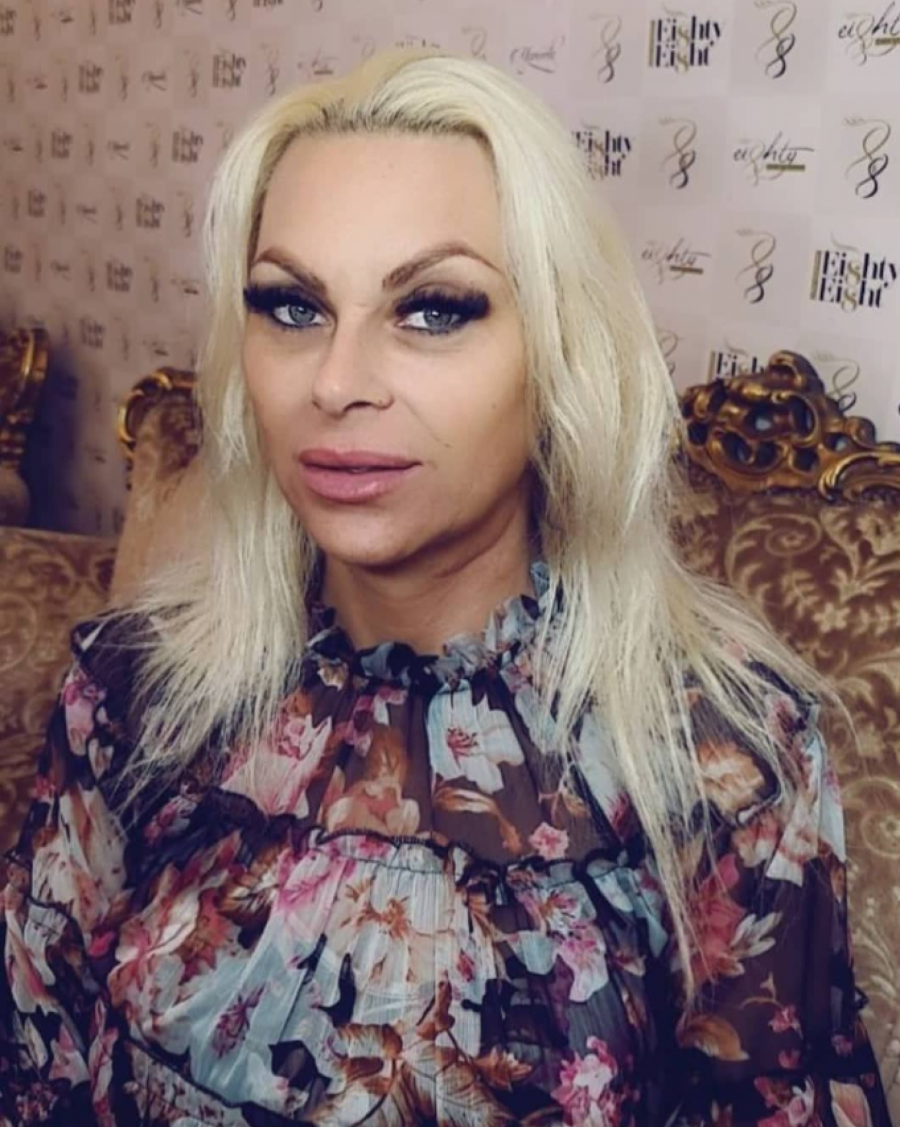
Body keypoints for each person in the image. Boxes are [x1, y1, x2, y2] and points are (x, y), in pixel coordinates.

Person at [0, 47, 890, 1127]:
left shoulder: (725, 753)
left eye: (432, 309)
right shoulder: (130, 691)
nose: (336, 381)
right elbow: (34, 1071)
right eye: (292, 306)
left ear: (558, 353)